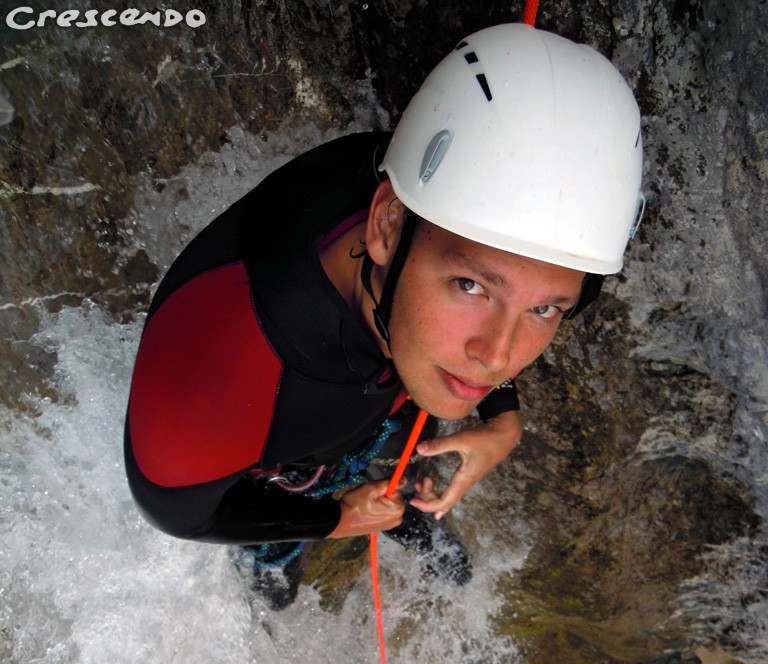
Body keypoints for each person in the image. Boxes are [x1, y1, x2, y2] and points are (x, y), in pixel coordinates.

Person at [124, 23, 644, 608]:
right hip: (287, 460)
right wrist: (335, 521)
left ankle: (396, 508)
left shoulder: (428, 200)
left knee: (398, 449)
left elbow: (506, 289)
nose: (499, 356)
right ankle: (322, 547)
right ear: (386, 224)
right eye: (470, 285)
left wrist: (503, 415)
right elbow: (182, 514)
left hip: (370, 390)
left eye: (545, 308)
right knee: (275, 580)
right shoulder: (209, 390)